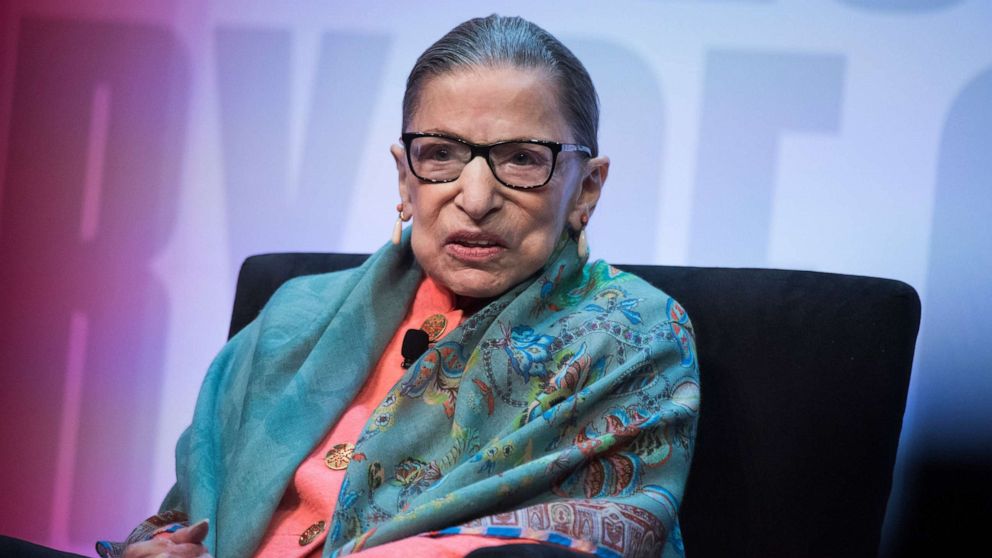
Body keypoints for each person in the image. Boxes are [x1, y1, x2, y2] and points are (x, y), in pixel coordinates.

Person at [100, 14, 700, 558]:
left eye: (522, 159)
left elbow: (599, 530)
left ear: (587, 188)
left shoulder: (632, 332)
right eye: (439, 154)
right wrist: (157, 548)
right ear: (405, 178)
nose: (476, 198)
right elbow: (182, 512)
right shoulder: (297, 314)